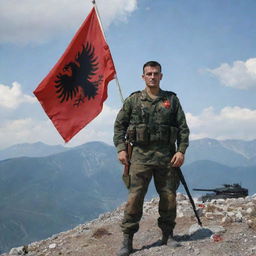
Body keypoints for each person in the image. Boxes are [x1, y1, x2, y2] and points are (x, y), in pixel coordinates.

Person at [113, 61, 190, 256]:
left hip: (166, 157)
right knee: (135, 198)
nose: (152, 77)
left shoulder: (171, 100)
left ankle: (168, 234)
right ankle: (127, 239)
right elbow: (119, 126)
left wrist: (181, 151)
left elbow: (183, 129)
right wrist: (121, 149)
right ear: (143, 77)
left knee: (169, 197)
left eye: (156, 74)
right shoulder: (133, 101)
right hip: (139, 157)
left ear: (161, 76)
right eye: (149, 74)